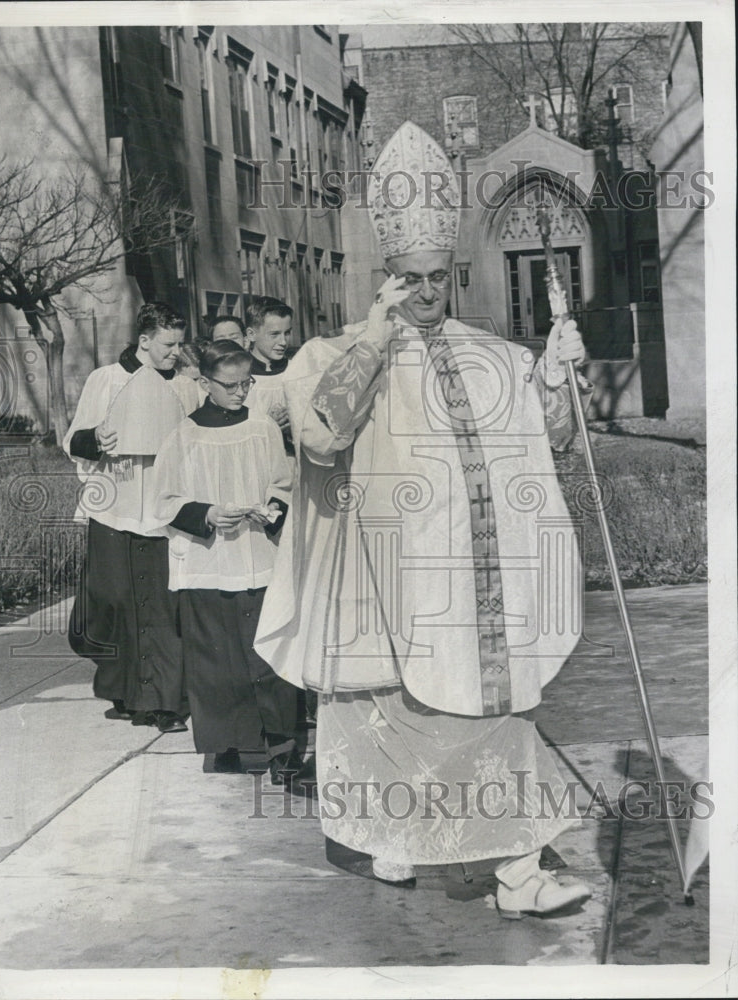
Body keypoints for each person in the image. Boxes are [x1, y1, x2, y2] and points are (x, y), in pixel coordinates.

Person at [255, 121, 594, 916]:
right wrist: (373, 340)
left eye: (436, 278)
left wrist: (554, 375)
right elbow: (322, 435)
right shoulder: (334, 353)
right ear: (385, 273)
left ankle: (515, 871)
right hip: (378, 589)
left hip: (471, 599)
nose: (423, 292)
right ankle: (395, 841)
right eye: (407, 278)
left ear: (454, 273)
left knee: (488, 723)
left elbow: (547, 441)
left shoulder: (492, 355)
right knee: (383, 728)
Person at [153, 340, 303, 782]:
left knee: (269, 653)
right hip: (207, 559)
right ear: (204, 383)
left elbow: (284, 482)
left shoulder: (262, 427)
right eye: (231, 385)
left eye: (247, 383)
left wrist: (271, 508)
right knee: (214, 660)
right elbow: (163, 500)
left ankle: (284, 749)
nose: (241, 392)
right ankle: (225, 745)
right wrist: (208, 513)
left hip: (259, 555)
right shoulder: (183, 435)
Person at [64, 302, 200, 733]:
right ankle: (123, 689)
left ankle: (160, 703)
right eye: (168, 344)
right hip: (116, 508)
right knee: (114, 601)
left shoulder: (184, 386)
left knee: (160, 608)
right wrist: (96, 438)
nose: (176, 353)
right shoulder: (105, 380)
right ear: (144, 341)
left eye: (180, 344)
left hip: (162, 512)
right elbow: (75, 438)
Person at [244, 296, 293, 440]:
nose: (283, 342)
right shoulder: (238, 375)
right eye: (275, 334)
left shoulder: (296, 370)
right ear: (251, 334)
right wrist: (266, 426)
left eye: (287, 333)